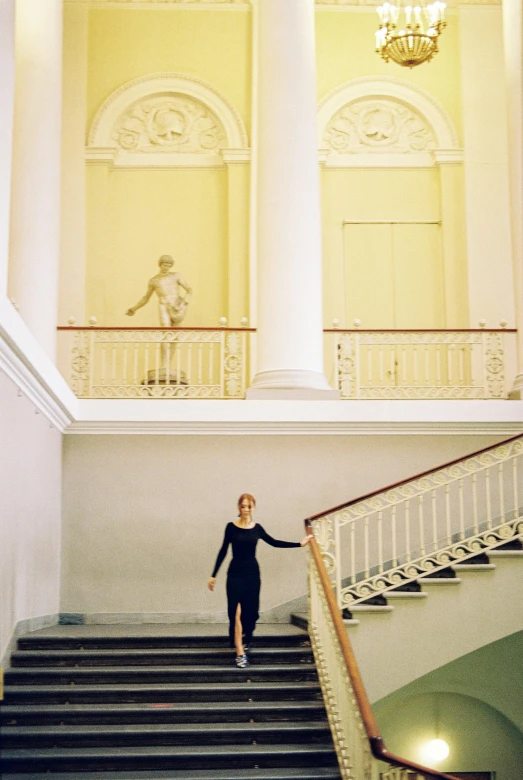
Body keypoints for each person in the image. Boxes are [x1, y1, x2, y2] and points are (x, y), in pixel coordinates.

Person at [208, 494, 312, 669]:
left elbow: (274, 542)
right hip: (234, 574)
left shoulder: (257, 528)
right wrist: (213, 575)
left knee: (252, 613)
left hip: (252, 574)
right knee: (236, 613)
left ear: (253, 508)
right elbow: (223, 550)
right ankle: (240, 652)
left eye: (249, 507)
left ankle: (246, 638)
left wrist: (299, 544)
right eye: (243, 506)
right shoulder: (231, 528)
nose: (246, 510)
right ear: (238, 508)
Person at [126, 255, 192, 326]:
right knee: (165, 327)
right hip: (164, 305)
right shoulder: (154, 280)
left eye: (169, 266)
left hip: (177, 306)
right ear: (160, 265)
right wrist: (134, 308)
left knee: (177, 330)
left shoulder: (176, 275)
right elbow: (146, 298)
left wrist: (184, 302)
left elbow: (189, 289)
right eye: (165, 265)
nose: (167, 268)